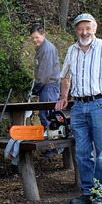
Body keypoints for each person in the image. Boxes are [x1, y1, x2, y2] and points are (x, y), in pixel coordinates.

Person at [55, 13, 102, 204]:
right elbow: (65, 76)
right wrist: (63, 97)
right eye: (80, 28)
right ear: (75, 30)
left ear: (95, 27)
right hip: (78, 106)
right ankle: (88, 192)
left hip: (101, 104)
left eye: (87, 28)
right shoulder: (72, 50)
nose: (84, 32)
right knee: (82, 152)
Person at [29, 24, 61, 157]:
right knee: (47, 115)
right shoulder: (41, 48)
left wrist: (35, 89)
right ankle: (52, 146)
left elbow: (44, 74)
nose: (35, 40)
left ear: (43, 35)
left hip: (49, 86)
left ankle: (55, 147)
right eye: (33, 38)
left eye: (37, 37)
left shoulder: (46, 49)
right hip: (46, 86)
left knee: (48, 116)